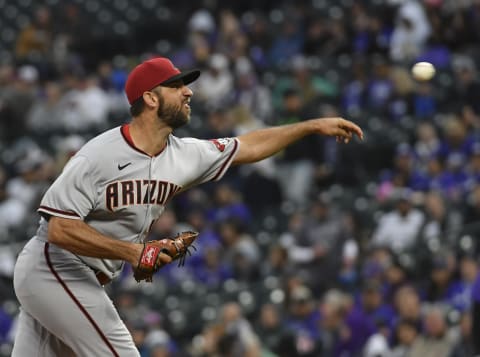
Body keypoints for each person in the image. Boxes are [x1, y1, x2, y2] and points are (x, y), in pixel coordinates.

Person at [11, 56, 363, 356]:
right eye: (177, 85)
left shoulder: (184, 155)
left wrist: (312, 125)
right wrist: (133, 252)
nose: (188, 91)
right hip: (53, 267)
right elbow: (59, 229)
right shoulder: (97, 155)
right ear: (150, 98)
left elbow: (249, 145)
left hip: (78, 278)